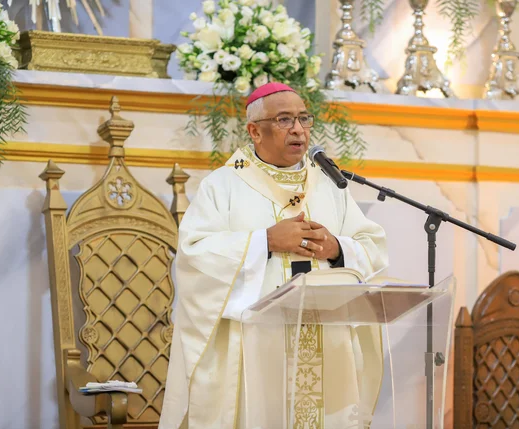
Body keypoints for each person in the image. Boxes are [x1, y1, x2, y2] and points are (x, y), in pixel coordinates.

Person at [159, 82, 388, 429]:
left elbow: (372, 245)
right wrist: (264, 242)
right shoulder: (223, 186)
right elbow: (194, 256)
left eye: (303, 119)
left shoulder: (329, 184)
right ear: (254, 130)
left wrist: (337, 249)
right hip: (255, 345)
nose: (298, 129)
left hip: (327, 344)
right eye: (284, 120)